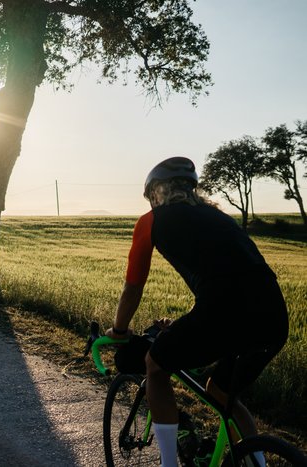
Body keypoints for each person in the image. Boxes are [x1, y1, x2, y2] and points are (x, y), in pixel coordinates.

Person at [106, 156, 288, 467]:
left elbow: (133, 287)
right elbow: (230, 277)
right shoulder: (219, 218)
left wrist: (119, 330)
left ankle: (168, 463)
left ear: (155, 193)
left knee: (155, 365)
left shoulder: (151, 221)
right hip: (273, 316)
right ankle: (260, 462)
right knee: (220, 392)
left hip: (222, 312)